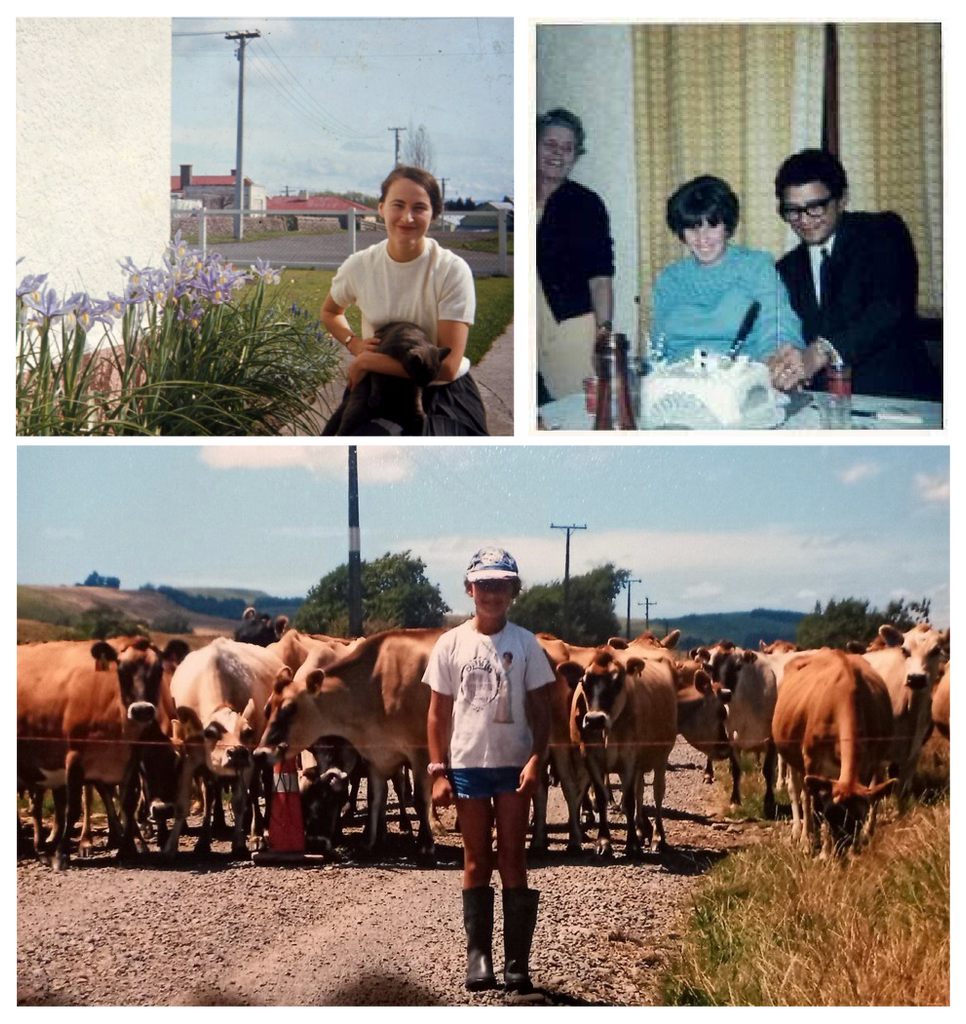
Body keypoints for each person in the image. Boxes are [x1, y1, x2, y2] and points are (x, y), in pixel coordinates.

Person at [424, 548, 553, 994]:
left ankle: (518, 962)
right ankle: (478, 956)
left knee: (513, 859)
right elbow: (438, 713)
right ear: (469, 588)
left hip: (514, 767)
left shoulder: (526, 644)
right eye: (485, 585)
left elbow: (543, 710)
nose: (492, 594)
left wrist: (538, 759)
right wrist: (438, 770)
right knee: (475, 860)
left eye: (502, 585)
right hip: (468, 766)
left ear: (513, 591)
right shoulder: (451, 644)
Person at [319, 165, 489, 438]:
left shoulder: (451, 270)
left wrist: (366, 362)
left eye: (419, 207)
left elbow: (446, 367)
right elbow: (330, 311)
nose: (407, 217)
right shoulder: (360, 265)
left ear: (433, 215)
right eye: (398, 205)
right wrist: (355, 344)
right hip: (378, 388)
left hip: (439, 391)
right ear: (382, 208)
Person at [769, 149, 937, 399]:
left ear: (842, 199)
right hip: (822, 405)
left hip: (897, 398)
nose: (803, 220)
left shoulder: (882, 232)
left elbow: (888, 309)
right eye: (792, 210)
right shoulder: (786, 268)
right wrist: (786, 362)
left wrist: (821, 351)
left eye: (815, 207)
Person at [652, 175, 804, 378]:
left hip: (740, 382)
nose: (702, 238)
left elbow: (778, 324)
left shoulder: (756, 266)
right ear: (680, 231)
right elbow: (658, 347)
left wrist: (775, 359)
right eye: (692, 228)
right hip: (680, 385)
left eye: (712, 226)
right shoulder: (669, 279)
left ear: (727, 226)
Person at [537, 108, 615, 402]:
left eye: (568, 148)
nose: (558, 153)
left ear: (575, 155)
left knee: (580, 407)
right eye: (550, 144)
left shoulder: (586, 204)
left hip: (570, 325)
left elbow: (600, 277)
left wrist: (603, 333)